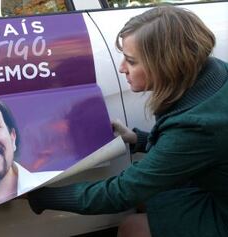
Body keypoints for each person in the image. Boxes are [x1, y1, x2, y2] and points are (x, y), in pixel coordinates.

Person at [26, 5, 228, 237]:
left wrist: (39, 196)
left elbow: (123, 192)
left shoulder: (199, 127)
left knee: (133, 228)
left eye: (131, 61)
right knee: (152, 197)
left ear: (166, 64)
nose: (122, 68)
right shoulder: (215, 71)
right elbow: (191, 151)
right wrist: (137, 139)